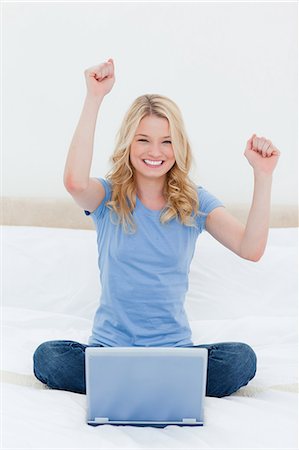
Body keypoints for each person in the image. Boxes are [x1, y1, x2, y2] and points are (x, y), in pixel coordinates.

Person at [33, 58, 281, 398]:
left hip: (174, 354)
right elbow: (75, 182)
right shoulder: (107, 196)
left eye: (166, 141)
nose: (155, 152)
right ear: (128, 144)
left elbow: (251, 248)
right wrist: (94, 97)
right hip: (109, 352)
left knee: (240, 359)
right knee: (50, 357)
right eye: (143, 140)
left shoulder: (194, 201)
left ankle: (138, 385)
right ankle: (155, 386)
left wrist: (262, 176)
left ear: (178, 146)